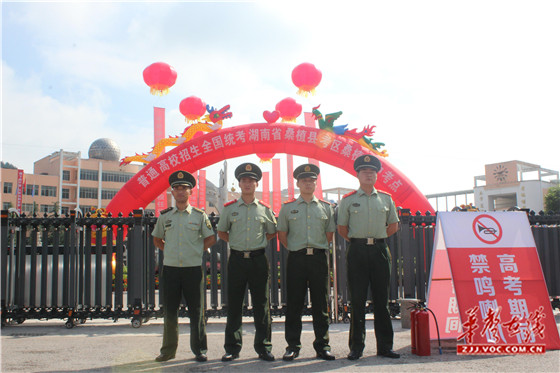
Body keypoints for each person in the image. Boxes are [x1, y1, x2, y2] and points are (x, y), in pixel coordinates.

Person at [336, 155, 400, 360]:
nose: (368, 174)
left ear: (377, 174)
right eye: (364, 171)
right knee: (357, 300)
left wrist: (376, 239)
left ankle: (385, 346)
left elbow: (393, 226)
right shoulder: (348, 200)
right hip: (357, 251)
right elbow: (342, 228)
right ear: (357, 175)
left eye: (372, 171)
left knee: (382, 300)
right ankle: (356, 347)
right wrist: (360, 241)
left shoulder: (386, 198)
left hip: (380, 250)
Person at [152, 170, 216, 363]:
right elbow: (157, 239)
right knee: (170, 311)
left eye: (184, 188)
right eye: (177, 188)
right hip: (171, 269)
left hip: (193, 268)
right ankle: (168, 351)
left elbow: (211, 238)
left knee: (197, 311)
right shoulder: (165, 217)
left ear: (191, 192)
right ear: (172, 192)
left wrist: (196, 250)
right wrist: (169, 250)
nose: (180, 192)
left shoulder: (199, 215)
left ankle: (199, 350)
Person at [217, 163, 277, 362]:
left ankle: (264, 347)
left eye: (251, 180)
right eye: (244, 180)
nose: (247, 183)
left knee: (262, 305)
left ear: (256, 183)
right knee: (234, 305)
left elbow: (271, 232)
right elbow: (222, 232)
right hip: (236, 260)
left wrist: (255, 245)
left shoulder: (265, 209)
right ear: (239, 184)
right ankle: (232, 348)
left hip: (258, 260)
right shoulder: (229, 209)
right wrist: (238, 243)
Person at [277, 164, 336, 361]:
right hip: (297, 258)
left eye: (311, 180)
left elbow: (329, 235)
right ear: (298, 183)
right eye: (304, 180)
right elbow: (283, 235)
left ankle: (322, 345)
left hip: (319, 258)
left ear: (316, 183)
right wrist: (297, 248)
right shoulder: (288, 208)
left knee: (321, 304)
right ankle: (293, 346)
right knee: (294, 304)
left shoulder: (326, 207)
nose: (308, 183)